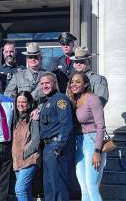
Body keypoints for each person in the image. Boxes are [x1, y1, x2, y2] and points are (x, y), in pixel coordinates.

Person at [66, 72, 106, 201]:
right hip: (79, 143)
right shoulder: (74, 100)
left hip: (92, 142)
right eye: (72, 82)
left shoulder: (92, 99)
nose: (74, 84)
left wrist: (97, 151)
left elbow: (100, 126)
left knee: (92, 187)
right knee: (83, 188)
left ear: (86, 84)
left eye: (78, 82)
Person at [39, 72, 74, 201]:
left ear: (54, 83)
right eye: (42, 83)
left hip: (56, 146)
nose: (44, 86)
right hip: (47, 147)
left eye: (47, 83)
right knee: (49, 186)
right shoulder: (46, 101)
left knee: (58, 186)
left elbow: (67, 125)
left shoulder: (60, 99)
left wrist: (59, 148)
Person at [12, 91, 41, 201]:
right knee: (26, 190)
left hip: (29, 159)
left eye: (24, 102)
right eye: (18, 102)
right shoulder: (16, 118)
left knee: (20, 189)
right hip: (17, 160)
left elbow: (36, 140)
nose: (20, 104)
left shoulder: (33, 118)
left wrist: (25, 153)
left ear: (29, 103)